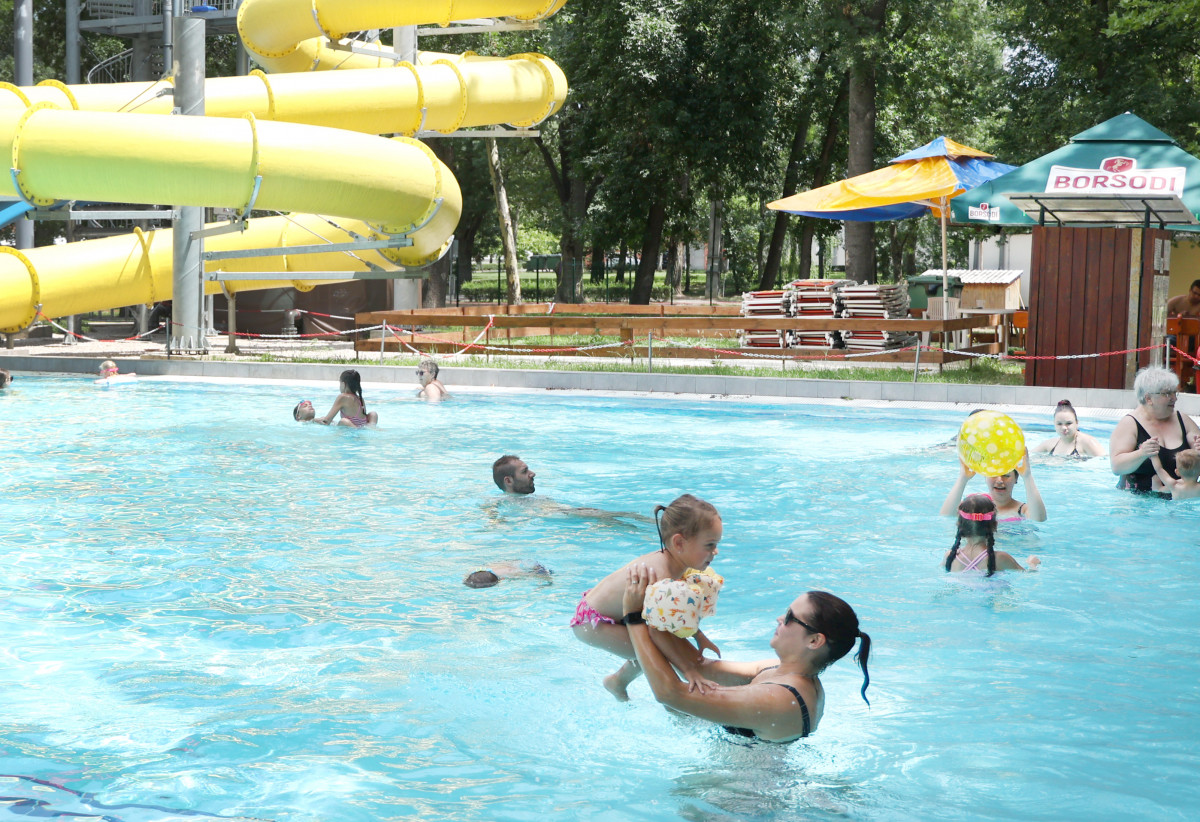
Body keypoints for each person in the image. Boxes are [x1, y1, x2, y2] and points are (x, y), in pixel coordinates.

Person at [620, 564, 870, 742]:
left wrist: (632, 618)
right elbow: (697, 667)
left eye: (790, 617)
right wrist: (659, 607)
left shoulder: (781, 699)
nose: (779, 618)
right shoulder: (778, 671)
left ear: (814, 641)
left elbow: (671, 694)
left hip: (740, 799)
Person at [570, 494, 723, 702]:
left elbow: (672, 619)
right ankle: (672, 703)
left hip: (606, 613)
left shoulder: (674, 563)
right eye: (710, 544)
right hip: (593, 623)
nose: (716, 551)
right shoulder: (661, 576)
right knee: (655, 652)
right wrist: (689, 671)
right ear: (679, 543)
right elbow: (657, 633)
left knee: (651, 646)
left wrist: (699, 636)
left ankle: (617, 681)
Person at [1110, 366, 1200, 493]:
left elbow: (1197, 453)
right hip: (1139, 499)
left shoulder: (1183, 420)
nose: (1174, 398)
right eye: (1167, 394)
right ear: (1148, 398)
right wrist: (1142, 453)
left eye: (1175, 393)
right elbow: (1117, 467)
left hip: (1179, 498)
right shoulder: (1130, 424)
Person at [939, 449, 1047, 522]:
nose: (999, 480)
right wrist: (962, 479)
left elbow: (1039, 519)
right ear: (985, 477)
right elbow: (947, 516)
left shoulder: (1022, 510)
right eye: (993, 475)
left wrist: (1027, 477)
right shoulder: (976, 505)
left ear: (1016, 479)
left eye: (1006, 475)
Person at [944, 494, 1040, 574]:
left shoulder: (949, 557)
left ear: (959, 524)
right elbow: (1028, 575)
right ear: (995, 525)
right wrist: (1033, 565)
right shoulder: (1001, 558)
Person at [1033, 399, 1105, 457]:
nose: (1064, 427)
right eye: (1059, 424)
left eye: (1068, 423)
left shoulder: (1088, 442)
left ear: (1077, 423)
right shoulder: (1050, 444)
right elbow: (1029, 455)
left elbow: (1105, 462)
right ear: (1054, 424)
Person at [463, 562, 552, 588]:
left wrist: (548, 581)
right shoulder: (472, 572)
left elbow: (535, 573)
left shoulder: (510, 572)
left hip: (530, 566)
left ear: (501, 580)